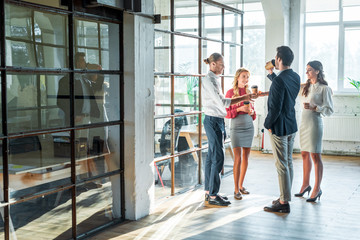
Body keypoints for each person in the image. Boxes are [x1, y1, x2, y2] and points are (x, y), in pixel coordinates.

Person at [202, 53, 256, 206]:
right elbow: (223, 102)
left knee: (212, 156)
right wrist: (244, 99)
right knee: (218, 157)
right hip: (213, 121)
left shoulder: (214, 79)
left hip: (217, 121)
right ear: (213, 64)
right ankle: (212, 195)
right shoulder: (209, 80)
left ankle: (210, 192)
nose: (224, 67)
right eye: (221, 64)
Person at [263, 46, 300, 213]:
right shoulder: (295, 76)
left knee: (281, 165)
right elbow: (283, 89)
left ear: (278, 59)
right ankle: (285, 195)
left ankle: (284, 202)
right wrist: (272, 75)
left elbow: (275, 108)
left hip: (279, 126)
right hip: (291, 124)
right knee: (288, 162)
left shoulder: (279, 80)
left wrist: (267, 125)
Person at [294, 60, 333, 202]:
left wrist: (315, 107)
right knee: (304, 154)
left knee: (315, 155)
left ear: (317, 71)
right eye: (306, 70)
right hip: (304, 123)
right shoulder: (305, 86)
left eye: (310, 70)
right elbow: (287, 87)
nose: (307, 72)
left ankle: (317, 188)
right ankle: (305, 184)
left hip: (315, 124)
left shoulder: (324, 88)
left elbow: (330, 110)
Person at [225, 68, 256, 200]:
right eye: (244, 76)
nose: (246, 79)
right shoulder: (230, 92)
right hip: (236, 127)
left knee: (246, 158)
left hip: (248, 125)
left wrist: (252, 112)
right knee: (237, 158)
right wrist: (239, 109)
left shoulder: (249, 92)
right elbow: (227, 113)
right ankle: (236, 189)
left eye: (248, 77)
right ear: (237, 77)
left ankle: (241, 185)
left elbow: (253, 112)